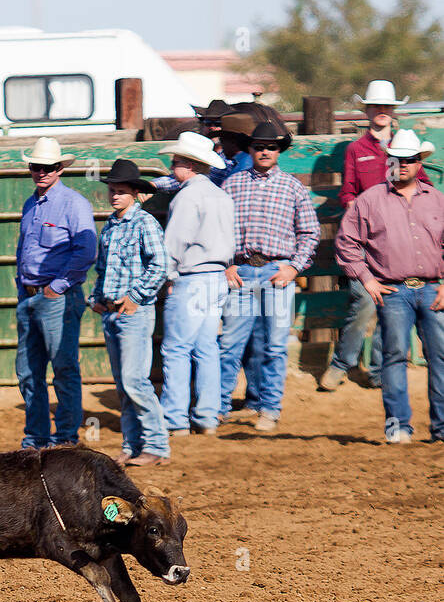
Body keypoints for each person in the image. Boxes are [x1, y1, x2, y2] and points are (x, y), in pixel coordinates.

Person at [334, 129, 444, 444]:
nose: (404, 165)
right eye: (399, 159)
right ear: (390, 160)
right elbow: (347, 243)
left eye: (410, 160)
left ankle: (442, 427)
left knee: (441, 356)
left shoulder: (437, 200)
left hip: (433, 286)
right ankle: (398, 426)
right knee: (394, 356)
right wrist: (367, 279)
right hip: (393, 289)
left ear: (418, 162)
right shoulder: (369, 201)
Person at [321, 80, 429, 392]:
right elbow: (347, 191)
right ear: (367, 111)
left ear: (393, 112)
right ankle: (343, 362)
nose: (382, 111)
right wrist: (358, 208)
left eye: (387, 107)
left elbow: (422, 184)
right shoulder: (356, 149)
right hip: (368, 240)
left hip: (398, 241)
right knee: (366, 301)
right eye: (376, 106)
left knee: (392, 303)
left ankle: (381, 369)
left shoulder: (407, 147)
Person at [219, 121, 319, 432]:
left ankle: (269, 408)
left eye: (271, 146)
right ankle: (218, 407)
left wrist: (294, 267)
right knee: (230, 344)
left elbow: (310, 231)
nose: (264, 151)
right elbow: (218, 231)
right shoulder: (231, 185)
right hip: (243, 271)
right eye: (259, 146)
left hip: (278, 271)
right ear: (249, 149)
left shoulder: (293, 187)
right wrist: (227, 264)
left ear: (279, 151)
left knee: (275, 346)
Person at [15, 137, 98, 448]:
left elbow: (86, 251)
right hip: (33, 294)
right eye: (37, 166)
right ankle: (36, 438)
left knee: (62, 368)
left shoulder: (74, 203)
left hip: (55, 295)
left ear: (60, 168)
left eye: (48, 167)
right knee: (28, 370)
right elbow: (25, 248)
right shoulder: (31, 204)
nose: (42, 172)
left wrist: (55, 287)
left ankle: (64, 438)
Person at [89, 159, 170, 466]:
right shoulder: (110, 225)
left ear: (135, 193)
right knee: (125, 383)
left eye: (121, 191)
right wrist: (97, 298)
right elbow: (101, 268)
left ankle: (156, 445)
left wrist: (135, 297)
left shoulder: (145, 223)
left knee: (135, 381)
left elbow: (160, 265)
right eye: (112, 190)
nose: (115, 196)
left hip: (133, 312)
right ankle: (133, 443)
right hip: (113, 312)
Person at [158, 132, 235, 439]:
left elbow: (174, 243)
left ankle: (175, 418)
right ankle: (207, 415)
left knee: (176, 349)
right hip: (217, 277)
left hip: (191, 277)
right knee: (206, 348)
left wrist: (168, 276)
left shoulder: (187, 197)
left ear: (188, 165)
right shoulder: (221, 195)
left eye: (175, 161)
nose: (172, 166)